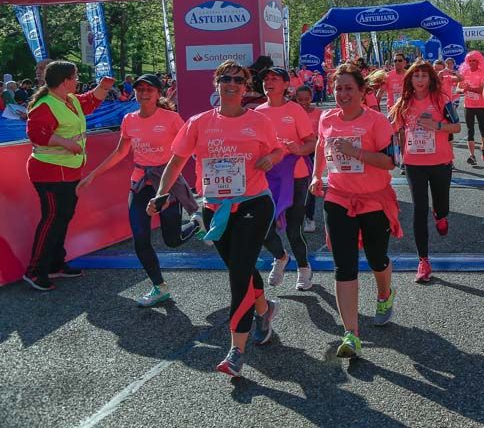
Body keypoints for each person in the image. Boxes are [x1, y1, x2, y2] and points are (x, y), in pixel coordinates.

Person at [152, 60, 283, 377]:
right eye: (226, 78)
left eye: (238, 79)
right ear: (217, 84)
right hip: (214, 207)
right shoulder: (198, 122)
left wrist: (269, 158)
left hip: (254, 202)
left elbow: (279, 150)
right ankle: (264, 310)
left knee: (238, 273)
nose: (232, 83)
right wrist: (160, 193)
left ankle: (236, 351)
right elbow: (176, 160)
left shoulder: (259, 121)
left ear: (245, 87)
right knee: (242, 265)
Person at [77, 74, 199, 306]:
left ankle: (196, 223)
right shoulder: (129, 119)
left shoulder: (172, 119)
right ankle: (159, 287)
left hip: (167, 181)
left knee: (172, 240)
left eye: (149, 89)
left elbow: (188, 148)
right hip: (140, 181)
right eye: (139, 89)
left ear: (158, 93)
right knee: (140, 237)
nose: (143, 93)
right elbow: (120, 152)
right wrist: (93, 174)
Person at [311, 63, 402, 358]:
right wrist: (316, 174)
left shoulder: (377, 121)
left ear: (363, 92)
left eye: (349, 88)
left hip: (373, 199)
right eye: (338, 88)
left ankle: (385, 294)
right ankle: (351, 333)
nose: (342, 93)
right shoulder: (326, 118)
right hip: (338, 197)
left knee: (377, 259)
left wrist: (355, 152)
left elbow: (390, 162)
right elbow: (320, 145)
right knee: (344, 265)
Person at [21, 62, 115, 291]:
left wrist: (103, 88)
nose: (78, 80)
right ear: (65, 80)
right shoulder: (45, 105)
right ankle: (34, 271)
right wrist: (65, 143)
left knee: (62, 217)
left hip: (68, 170)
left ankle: (55, 263)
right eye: (75, 77)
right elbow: (36, 134)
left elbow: (89, 102)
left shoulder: (70, 100)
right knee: (53, 218)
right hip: (48, 171)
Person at [388, 62, 460, 283]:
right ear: (410, 79)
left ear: (430, 79)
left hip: (440, 161)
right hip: (414, 163)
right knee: (419, 209)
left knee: (441, 205)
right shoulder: (404, 103)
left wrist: (437, 126)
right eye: (416, 76)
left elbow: (456, 127)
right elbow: (392, 128)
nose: (419, 80)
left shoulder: (442, 99)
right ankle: (423, 260)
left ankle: (441, 216)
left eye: (424, 76)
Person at [256, 68, 318, 291]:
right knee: (262, 227)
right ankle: (281, 257)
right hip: (267, 176)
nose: (268, 82)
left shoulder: (295, 110)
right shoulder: (257, 112)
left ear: (285, 84)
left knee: (293, 229)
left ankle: (303, 268)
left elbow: (312, 142)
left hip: (295, 174)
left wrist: (298, 149)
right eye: (265, 79)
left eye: (274, 79)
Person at [294, 85, 323, 232]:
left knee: (309, 186)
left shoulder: (319, 114)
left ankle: (309, 218)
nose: (304, 102)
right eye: (300, 99)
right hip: (295, 154)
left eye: (307, 99)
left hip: (312, 154)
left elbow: (323, 136)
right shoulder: (292, 113)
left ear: (311, 98)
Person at [458, 51, 484, 165]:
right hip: (468, 105)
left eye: (474, 61)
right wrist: (463, 90)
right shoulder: (464, 72)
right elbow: (458, 88)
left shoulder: (483, 73)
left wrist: (469, 89)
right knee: (469, 130)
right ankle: (472, 155)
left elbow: (482, 90)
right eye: (469, 61)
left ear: (479, 61)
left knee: (483, 128)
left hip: (481, 105)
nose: (471, 63)